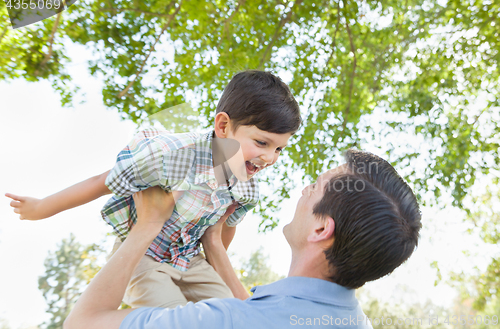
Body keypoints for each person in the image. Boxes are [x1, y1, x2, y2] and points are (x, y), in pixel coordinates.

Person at [5, 70, 302, 308]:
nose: (269, 158)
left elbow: (226, 227)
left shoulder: (247, 186)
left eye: (279, 149)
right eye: (262, 143)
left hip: (191, 259)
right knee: (174, 317)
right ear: (223, 127)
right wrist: (42, 207)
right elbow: (102, 181)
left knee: (228, 315)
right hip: (143, 255)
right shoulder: (171, 154)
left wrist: (215, 266)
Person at [64, 149, 422, 329]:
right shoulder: (356, 323)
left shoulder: (227, 321)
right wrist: (216, 247)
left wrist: (146, 227)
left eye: (312, 189)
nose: (302, 190)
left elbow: (85, 322)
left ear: (320, 229)